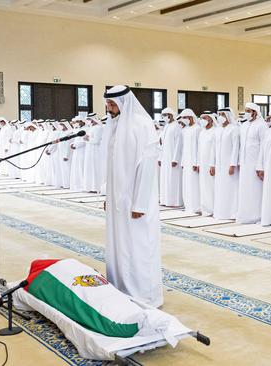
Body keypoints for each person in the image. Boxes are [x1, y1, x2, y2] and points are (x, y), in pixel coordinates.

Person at [103, 85, 162, 306]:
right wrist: (109, 196)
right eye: (107, 104)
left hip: (137, 201)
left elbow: (146, 168)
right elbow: (112, 166)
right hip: (118, 199)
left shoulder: (142, 125)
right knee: (118, 244)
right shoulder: (116, 125)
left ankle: (142, 294)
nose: (109, 108)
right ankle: (120, 287)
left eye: (112, 104)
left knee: (137, 246)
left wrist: (139, 203)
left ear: (124, 103)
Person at [236, 102, 268, 223]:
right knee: (245, 189)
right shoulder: (244, 126)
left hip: (255, 163)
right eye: (246, 110)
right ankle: (245, 214)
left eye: (249, 111)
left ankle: (257, 215)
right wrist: (239, 161)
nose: (247, 113)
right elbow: (241, 145)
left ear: (255, 112)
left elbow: (264, 146)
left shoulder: (261, 125)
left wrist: (260, 165)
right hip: (244, 163)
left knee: (255, 190)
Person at [212, 108, 240, 220]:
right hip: (219, 165)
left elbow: (235, 148)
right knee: (220, 188)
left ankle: (231, 213)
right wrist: (212, 164)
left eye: (222, 114)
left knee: (230, 189)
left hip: (229, 165)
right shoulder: (218, 130)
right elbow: (214, 149)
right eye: (219, 114)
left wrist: (233, 164)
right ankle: (220, 212)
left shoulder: (233, 129)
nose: (220, 116)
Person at [179, 109, 202, 214]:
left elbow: (199, 147)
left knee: (194, 185)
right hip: (186, 161)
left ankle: (195, 207)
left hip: (194, 162)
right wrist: (183, 162)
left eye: (185, 118)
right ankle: (188, 205)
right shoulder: (185, 130)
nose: (183, 120)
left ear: (190, 118)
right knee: (186, 184)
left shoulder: (198, 129)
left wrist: (196, 163)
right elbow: (184, 147)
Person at [159, 107, 183, 207]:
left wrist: (175, 159)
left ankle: (174, 201)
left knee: (173, 179)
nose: (163, 118)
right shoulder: (166, 127)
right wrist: (160, 158)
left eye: (164, 116)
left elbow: (178, 144)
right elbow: (162, 145)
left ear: (170, 115)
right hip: (165, 158)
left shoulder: (176, 127)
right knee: (165, 179)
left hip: (172, 159)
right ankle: (165, 200)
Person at [197, 112, 217, 216]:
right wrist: (198, 164)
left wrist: (212, 164)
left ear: (210, 119)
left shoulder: (215, 132)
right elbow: (199, 150)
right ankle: (205, 208)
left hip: (210, 164)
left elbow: (215, 150)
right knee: (203, 186)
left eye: (204, 118)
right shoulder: (202, 132)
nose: (202, 120)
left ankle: (213, 208)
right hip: (202, 163)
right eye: (201, 118)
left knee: (211, 186)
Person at [83, 113, 104, 193]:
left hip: (96, 151)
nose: (88, 121)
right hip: (89, 150)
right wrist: (86, 139)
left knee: (95, 168)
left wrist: (88, 139)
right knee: (90, 169)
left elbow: (96, 141)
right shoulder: (91, 128)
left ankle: (96, 187)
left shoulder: (99, 128)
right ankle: (91, 187)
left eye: (89, 119)